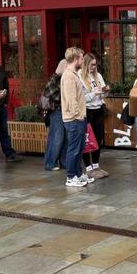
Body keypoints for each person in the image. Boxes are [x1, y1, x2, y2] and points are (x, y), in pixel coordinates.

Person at [61, 47, 90, 187]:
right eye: (81, 58)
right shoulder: (68, 76)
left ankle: (78, 174)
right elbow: (72, 100)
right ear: (75, 59)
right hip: (74, 119)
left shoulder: (74, 74)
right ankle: (71, 176)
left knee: (79, 148)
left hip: (78, 118)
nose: (83, 60)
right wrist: (78, 116)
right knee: (74, 148)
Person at [80, 53, 110, 179]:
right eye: (91, 64)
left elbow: (102, 96)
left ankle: (96, 166)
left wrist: (105, 91)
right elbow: (81, 98)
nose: (94, 67)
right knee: (87, 139)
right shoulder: (80, 77)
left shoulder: (98, 76)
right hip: (87, 110)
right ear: (86, 64)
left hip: (98, 109)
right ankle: (88, 168)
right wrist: (93, 93)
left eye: (95, 64)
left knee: (98, 139)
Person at [42, 60, 67, 171]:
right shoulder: (54, 80)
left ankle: (64, 162)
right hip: (56, 111)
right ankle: (50, 163)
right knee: (56, 137)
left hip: (63, 110)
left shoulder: (63, 79)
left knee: (65, 137)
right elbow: (56, 97)